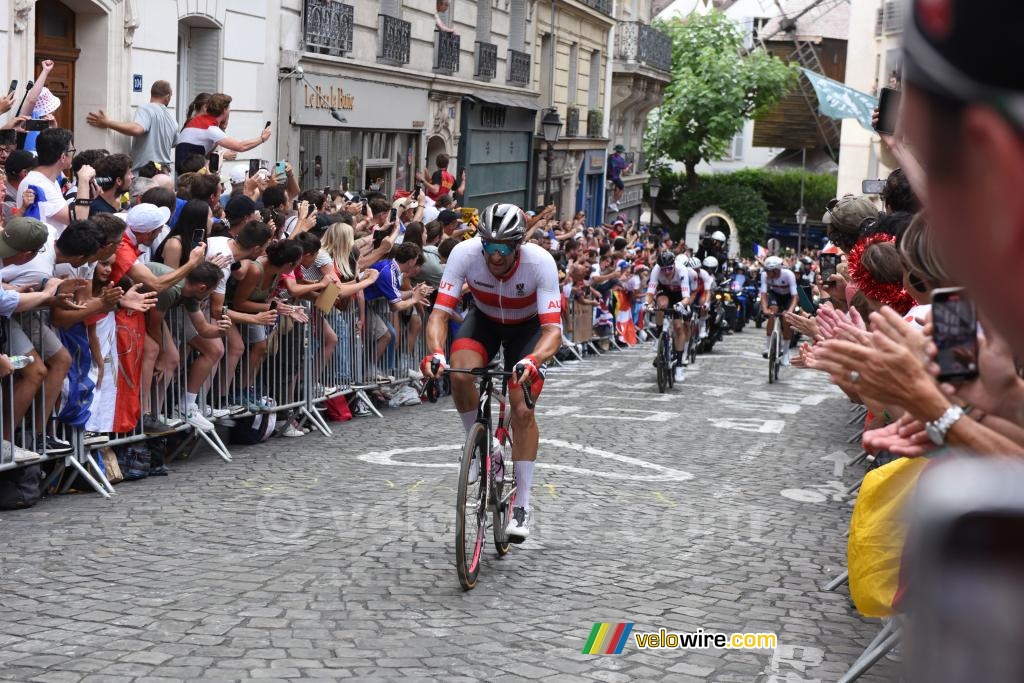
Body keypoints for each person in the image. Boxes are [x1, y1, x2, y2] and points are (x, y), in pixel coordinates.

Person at [422, 203, 563, 541]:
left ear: (518, 245)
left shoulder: (540, 263)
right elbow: (440, 315)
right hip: (484, 320)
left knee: (522, 408)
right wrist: (437, 353)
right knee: (458, 373)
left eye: (502, 248)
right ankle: (478, 447)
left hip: (528, 329)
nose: (494, 256)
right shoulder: (464, 254)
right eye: (489, 246)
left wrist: (533, 360)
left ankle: (522, 505)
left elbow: (553, 331)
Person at [86, 80, 178, 173]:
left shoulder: (146, 108)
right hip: (163, 173)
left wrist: (108, 123)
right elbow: (174, 143)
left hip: (146, 174)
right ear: (167, 97)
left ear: (152, 93)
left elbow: (137, 129)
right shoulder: (172, 118)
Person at [174, 93, 270, 169]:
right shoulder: (209, 128)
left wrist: (223, 128)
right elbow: (240, 146)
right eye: (229, 108)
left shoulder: (201, 121)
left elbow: (205, 153)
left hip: (186, 169)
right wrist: (262, 138)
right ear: (224, 110)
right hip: (188, 173)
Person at [645, 251, 693, 382]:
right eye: (663, 269)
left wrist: (681, 305)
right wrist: (646, 303)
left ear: (674, 265)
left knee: (678, 326)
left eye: (669, 268)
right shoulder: (656, 270)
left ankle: (679, 366)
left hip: (679, 294)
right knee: (661, 305)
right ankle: (661, 336)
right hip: (665, 289)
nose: (666, 272)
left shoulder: (682, 270)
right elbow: (650, 293)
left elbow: (686, 298)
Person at [759, 255, 797, 365]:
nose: (766, 272)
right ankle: (768, 346)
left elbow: (795, 296)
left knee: (786, 319)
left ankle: (785, 353)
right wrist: (765, 308)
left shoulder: (788, 274)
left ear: (776, 270)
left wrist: (790, 310)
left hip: (788, 297)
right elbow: (763, 294)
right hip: (775, 295)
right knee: (772, 312)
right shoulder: (764, 275)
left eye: (768, 270)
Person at [606, 144, 631, 211]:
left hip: (608, 176)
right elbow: (624, 171)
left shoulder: (610, 156)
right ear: (621, 152)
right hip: (615, 177)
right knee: (622, 188)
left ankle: (615, 201)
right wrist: (628, 167)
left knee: (617, 187)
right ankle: (614, 202)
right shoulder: (620, 159)